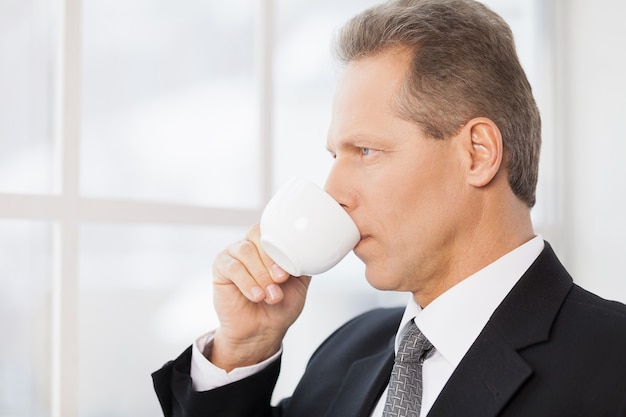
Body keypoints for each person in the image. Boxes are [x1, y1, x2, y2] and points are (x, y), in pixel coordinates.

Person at [152, 0, 626, 416]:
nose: (333, 190)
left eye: (366, 151)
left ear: (477, 154)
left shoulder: (613, 362)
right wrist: (243, 348)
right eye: (335, 156)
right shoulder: (347, 352)